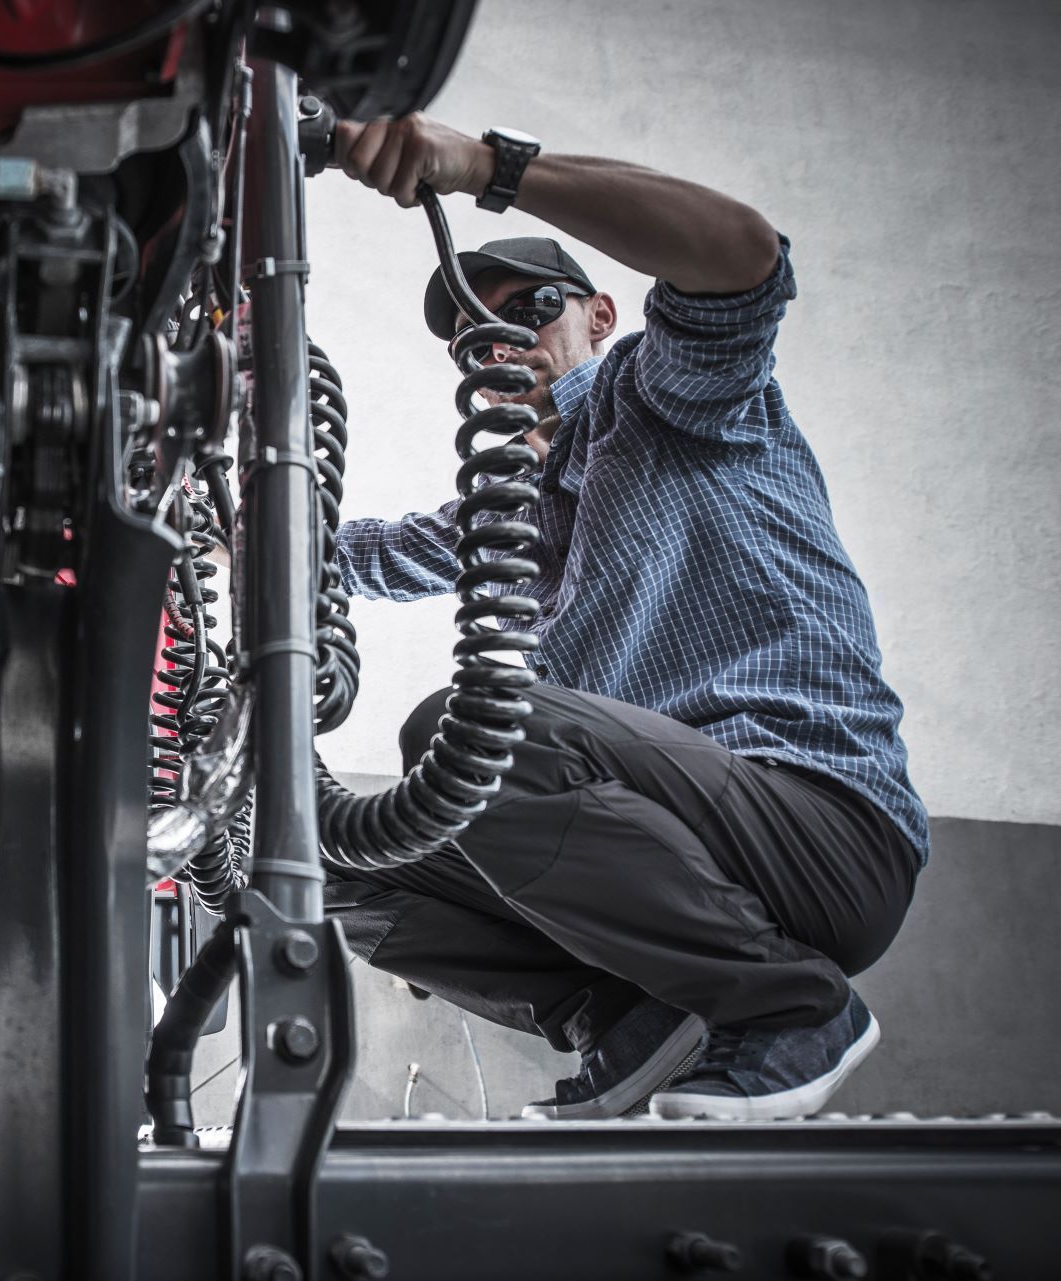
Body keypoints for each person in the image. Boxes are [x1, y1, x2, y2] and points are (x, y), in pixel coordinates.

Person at [321, 114, 928, 1121]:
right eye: (478, 333)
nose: (502, 340)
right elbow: (349, 553)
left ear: (599, 316)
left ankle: (788, 1012)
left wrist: (481, 166)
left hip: (819, 834)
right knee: (347, 854)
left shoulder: (664, 394)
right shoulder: (507, 512)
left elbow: (740, 258)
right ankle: (641, 1021)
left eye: (533, 309)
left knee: (470, 731)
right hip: (678, 866)